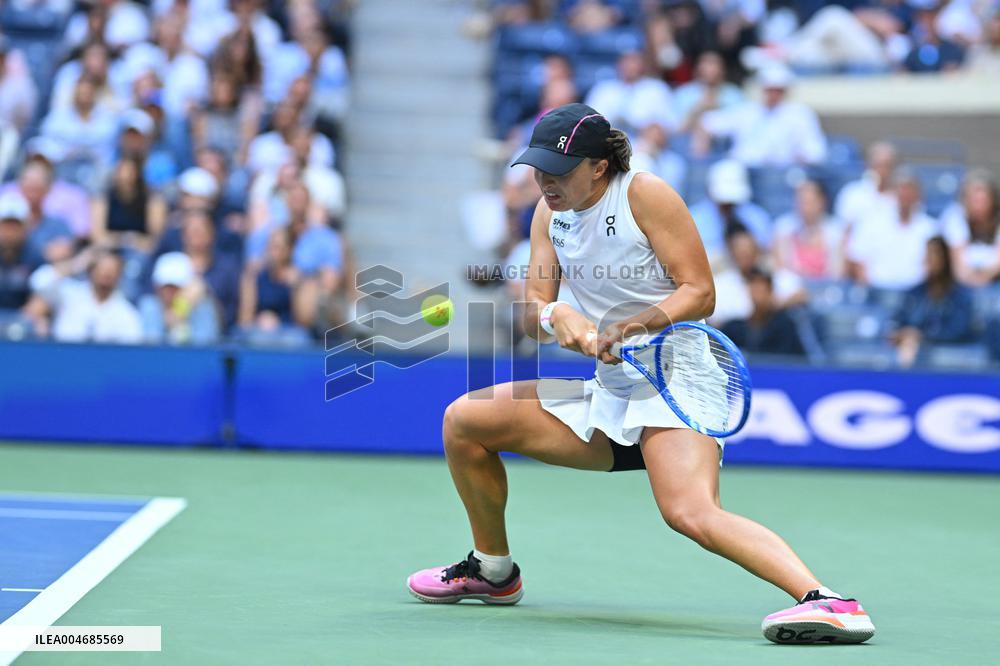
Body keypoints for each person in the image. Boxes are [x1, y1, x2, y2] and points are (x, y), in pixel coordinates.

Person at [406, 103, 875, 645]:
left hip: (679, 379)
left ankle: (827, 601)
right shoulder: (547, 213)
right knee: (466, 421)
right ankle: (493, 572)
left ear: (599, 167)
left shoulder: (644, 194)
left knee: (690, 512)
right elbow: (533, 310)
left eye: (557, 172)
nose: (544, 182)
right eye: (537, 171)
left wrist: (631, 326)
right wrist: (562, 317)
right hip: (612, 389)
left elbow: (701, 291)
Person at [695, 63, 827, 168]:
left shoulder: (800, 114)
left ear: (786, 91)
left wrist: (798, 158)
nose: (773, 95)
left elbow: (816, 152)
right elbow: (708, 122)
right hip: (745, 171)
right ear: (763, 89)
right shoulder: (747, 111)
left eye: (778, 90)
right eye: (770, 90)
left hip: (782, 174)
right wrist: (701, 148)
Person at [847, 168, 939, 291]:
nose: (905, 196)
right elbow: (857, 260)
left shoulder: (931, 228)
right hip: (877, 293)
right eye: (901, 190)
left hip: (917, 296)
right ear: (893, 192)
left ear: (918, 195)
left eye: (910, 190)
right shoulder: (871, 222)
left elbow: (935, 266)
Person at [24, 249, 143, 344]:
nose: (106, 274)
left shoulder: (126, 313)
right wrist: (77, 263)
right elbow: (38, 281)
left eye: (112, 271)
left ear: (119, 275)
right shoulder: (70, 294)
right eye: (102, 268)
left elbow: (132, 346)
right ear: (91, 269)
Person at [890, 236, 974, 367]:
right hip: (912, 346)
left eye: (935, 254)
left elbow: (958, 331)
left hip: (948, 357)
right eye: (927, 254)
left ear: (945, 259)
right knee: (907, 345)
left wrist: (923, 336)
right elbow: (897, 321)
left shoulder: (960, 296)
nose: (929, 259)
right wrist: (902, 333)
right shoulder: (914, 294)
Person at [687, 159, 771, 263]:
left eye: (732, 203)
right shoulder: (693, 220)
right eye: (723, 203)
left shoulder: (757, 218)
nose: (728, 207)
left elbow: (765, 253)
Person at [139, 251, 220, 345]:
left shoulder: (202, 308)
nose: (169, 291)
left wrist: (181, 309)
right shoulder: (150, 306)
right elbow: (151, 348)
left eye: (175, 286)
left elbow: (203, 348)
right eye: (165, 286)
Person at [721, 268, 806, 356]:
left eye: (762, 290)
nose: (758, 295)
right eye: (754, 289)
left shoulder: (785, 326)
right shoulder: (734, 328)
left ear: (770, 291)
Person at [773, 179, 846, 281]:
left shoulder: (836, 230)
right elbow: (781, 270)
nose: (805, 207)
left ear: (822, 202)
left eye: (810, 202)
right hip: (794, 289)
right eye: (802, 201)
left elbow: (838, 273)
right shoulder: (784, 227)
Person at [940, 170, 1000, 286]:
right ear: (965, 200)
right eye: (974, 199)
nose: (978, 204)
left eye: (982, 200)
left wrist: (981, 280)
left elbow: (998, 263)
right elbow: (959, 267)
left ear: (993, 200)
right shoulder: (954, 216)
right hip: (958, 286)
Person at [834, 140, 897, 232]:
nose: (883, 172)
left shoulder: (900, 199)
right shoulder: (852, 194)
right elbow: (843, 231)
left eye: (887, 166)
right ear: (868, 166)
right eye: (879, 166)